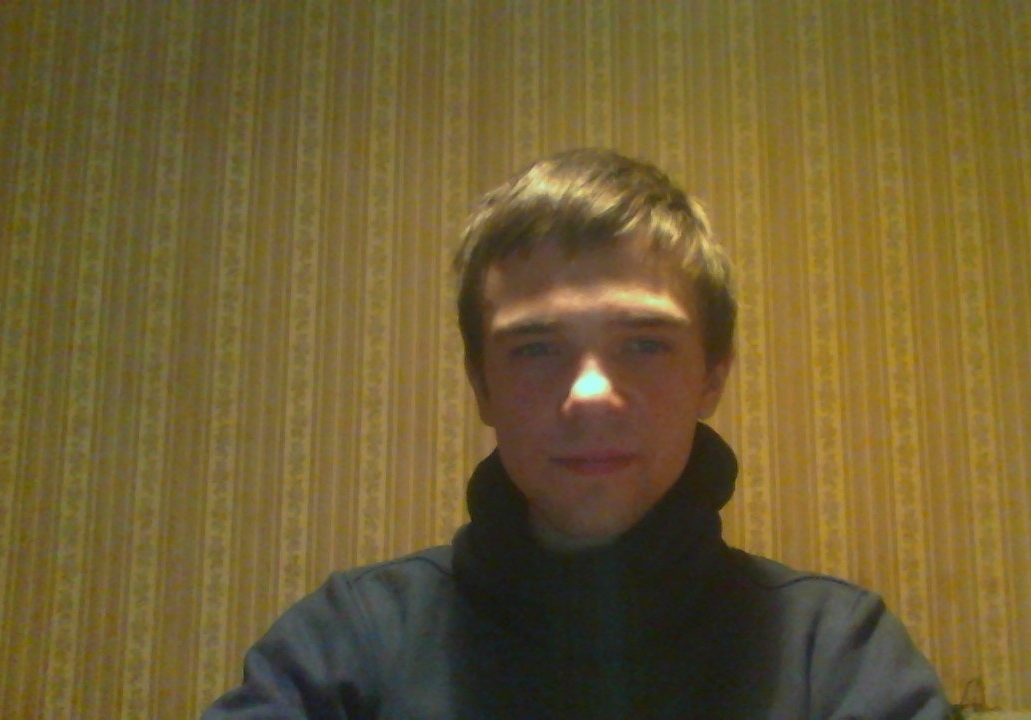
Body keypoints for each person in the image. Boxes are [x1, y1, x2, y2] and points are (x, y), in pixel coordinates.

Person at [202, 148, 950, 719]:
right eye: (535, 349)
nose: (591, 395)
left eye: (645, 344)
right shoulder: (345, 643)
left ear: (712, 376)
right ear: (481, 385)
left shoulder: (838, 653)